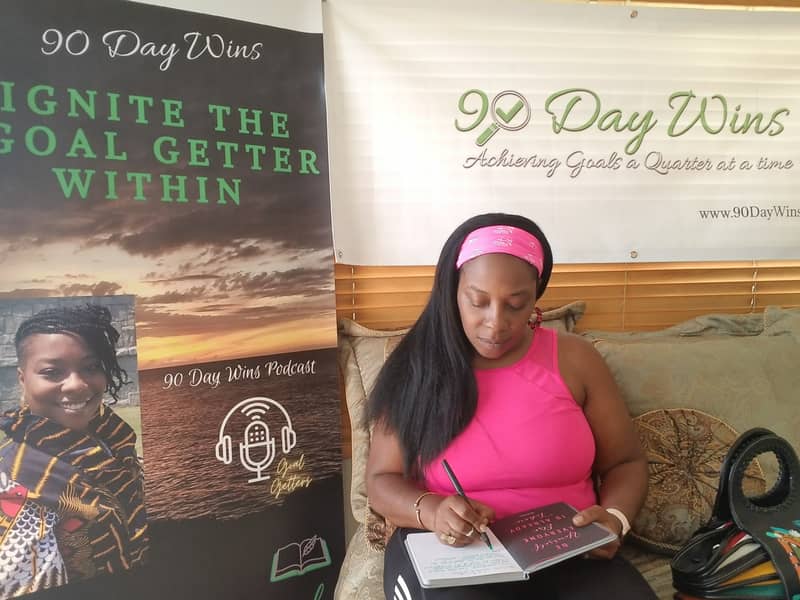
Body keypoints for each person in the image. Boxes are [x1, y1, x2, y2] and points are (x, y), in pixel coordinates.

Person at [366, 213, 657, 599]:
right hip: (451, 552)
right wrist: (432, 510)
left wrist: (615, 519)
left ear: (535, 298)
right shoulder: (415, 367)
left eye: (516, 304)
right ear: (453, 292)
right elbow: (380, 481)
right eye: (478, 301)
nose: (495, 323)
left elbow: (626, 463)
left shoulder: (576, 360)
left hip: (569, 552)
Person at [0, 304, 149, 599]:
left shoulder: (109, 435)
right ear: (22, 378)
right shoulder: (17, 479)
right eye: (52, 372)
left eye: (91, 367)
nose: (77, 385)